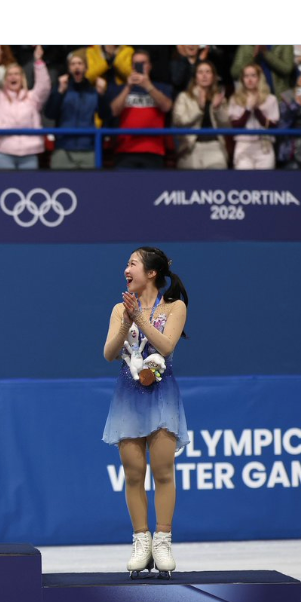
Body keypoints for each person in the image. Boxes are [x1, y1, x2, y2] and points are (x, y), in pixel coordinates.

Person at [102, 247, 189, 578]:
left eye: (132, 264)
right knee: (134, 472)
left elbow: (166, 347)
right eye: (127, 264)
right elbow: (110, 353)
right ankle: (141, 541)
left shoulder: (175, 307)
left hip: (162, 395)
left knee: (163, 470)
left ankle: (163, 541)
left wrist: (140, 318)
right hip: (128, 396)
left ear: (151, 273)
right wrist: (126, 322)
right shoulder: (118, 309)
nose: (126, 269)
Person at [0, 45, 51, 169]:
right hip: (4, 152)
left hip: (29, 153)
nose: (13, 77)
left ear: (22, 78)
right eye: (10, 74)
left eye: (17, 74)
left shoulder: (32, 99)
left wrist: (39, 62)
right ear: (5, 79)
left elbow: (44, 87)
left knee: (28, 188)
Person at [106, 50, 174, 169]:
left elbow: (166, 107)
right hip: (125, 150)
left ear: (149, 66)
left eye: (143, 63)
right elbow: (114, 111)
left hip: (153, 150)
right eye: (136, 64)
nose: (139, 67)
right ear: (132, 67)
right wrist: (128, 87)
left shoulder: (162, 87)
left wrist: (148, 86)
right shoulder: (121, 88)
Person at [43, 50, 104, 169]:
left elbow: (105, 115)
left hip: (88, 149)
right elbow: (50, 114)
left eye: (80, 63)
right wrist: (60, 92)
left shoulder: (93, 92)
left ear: (86, 68)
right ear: (69, 69)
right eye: (73, 64)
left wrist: (101, 95)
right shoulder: (61, 90)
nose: (77, 66)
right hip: (63, 148)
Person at [171, 60, 230, 169]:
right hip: (190, 148)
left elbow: (227, 126)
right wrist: (199, 109)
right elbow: (178, 121)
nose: (204, 75)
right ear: (195, 77)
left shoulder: (219, 98)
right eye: (200, 72)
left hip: (215, 147)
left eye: (208, 72)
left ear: (213, 76)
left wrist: (218, 109)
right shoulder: (184, 97)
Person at [228, 63, 280, 170]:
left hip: (264, 146)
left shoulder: (271, 99)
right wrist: (248, 109)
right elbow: (236, 126)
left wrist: (256, 109)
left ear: (259, 78)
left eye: (253, 75)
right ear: (242, 79)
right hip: (243, 145)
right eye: (246, 76)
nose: (249, 79)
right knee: (244, 184)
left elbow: (273, 126)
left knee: (265, 184)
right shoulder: (235, 99)